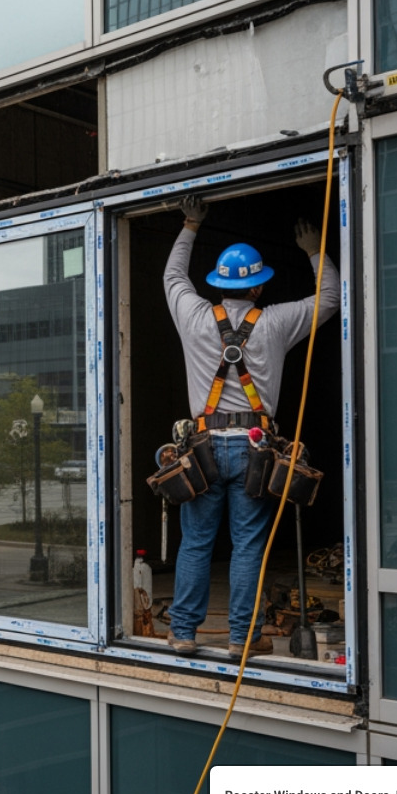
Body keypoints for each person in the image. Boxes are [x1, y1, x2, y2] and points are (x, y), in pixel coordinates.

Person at [163, 195, 338, 658]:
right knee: (247, 548)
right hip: (255, 448)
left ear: (220, 284)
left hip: (201, 447)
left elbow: (173, 276)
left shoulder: (194, 315)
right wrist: (315, 249)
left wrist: (191, 224)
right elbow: (331, 297)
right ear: (259, 287)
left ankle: (183, 632)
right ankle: (244, 639)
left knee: (196, 543)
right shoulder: (277, 321)